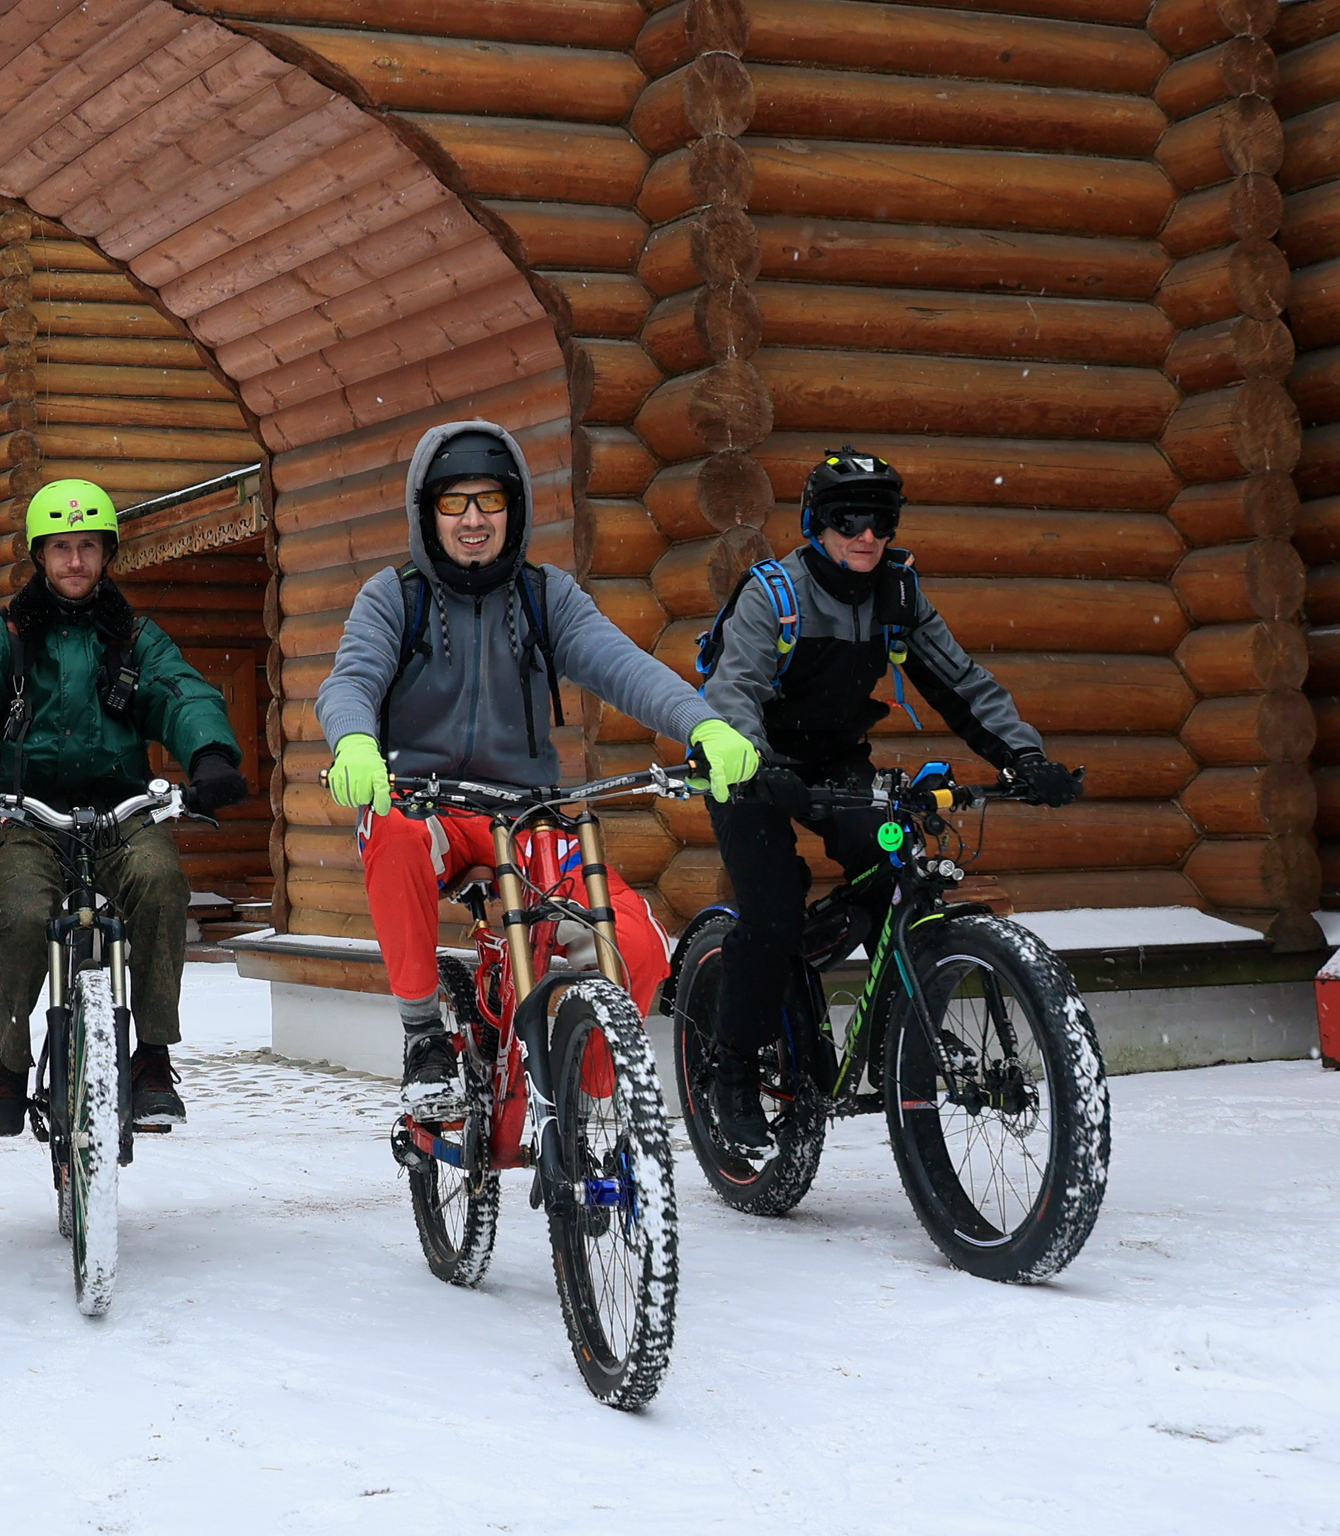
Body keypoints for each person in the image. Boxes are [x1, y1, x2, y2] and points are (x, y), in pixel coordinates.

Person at [315, 421, 761, 1117]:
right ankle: (423, 1037)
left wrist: (701, 724)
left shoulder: (543, 596)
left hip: (524, 814)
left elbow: (623, 668)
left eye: (488, 501)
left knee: (636, 949)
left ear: (513, 510)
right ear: (425, 513)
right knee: (394, 833)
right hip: (424, 805)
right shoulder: (391, 597)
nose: (471, 520)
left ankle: (584, 1120)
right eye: (452, 503)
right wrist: (354, 744)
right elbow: (350, 681)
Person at [695, 447, 1080, 1151]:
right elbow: (731, 693)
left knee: (894, 867)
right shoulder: (772, 594)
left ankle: (904, 1045)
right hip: (747, 765)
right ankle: (730, 1072)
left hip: (837, 764)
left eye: (879, 520)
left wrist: (1022, 755)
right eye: (847, 519)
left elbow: (959, 682)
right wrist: (748, 761)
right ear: (815, 523)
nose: (865, 535)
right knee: (772, 910)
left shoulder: (897, 596)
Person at [0, 479, 251, 1137]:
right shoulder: (3, 637)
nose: (75, 562)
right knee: (19, 915)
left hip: (122, 811)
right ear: (41, 555)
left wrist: (209, 753)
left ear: (106, 555)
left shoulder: (133, 637)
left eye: (88, 548)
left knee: (159, 887)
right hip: (25, 815)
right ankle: (9, 1057)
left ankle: (152, 1055)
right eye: (62, 548)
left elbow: (180, 692)